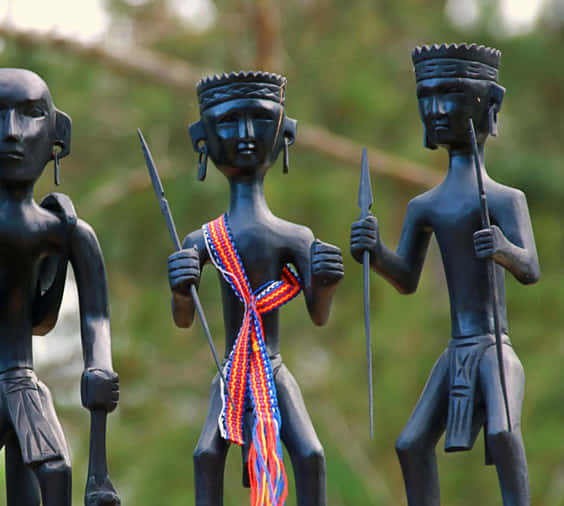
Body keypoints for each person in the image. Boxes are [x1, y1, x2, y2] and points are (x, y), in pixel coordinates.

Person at [349, 43, 539, 506]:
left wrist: (504, 249)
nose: (435, 109)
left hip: (494, 345)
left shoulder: (504, 199)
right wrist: (374, 253)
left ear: (489, 104)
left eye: (451, 95)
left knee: (504, 432)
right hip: (457, 347)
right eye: (427, 97)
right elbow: (407, 277)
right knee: (411, 443)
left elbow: (530, 268)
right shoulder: (425, 206)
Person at [0, 68, 119, 506]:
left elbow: (97, 315)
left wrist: (99, 364)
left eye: (31, 115)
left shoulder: (68, 231)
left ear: (58, 137)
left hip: (28, 383)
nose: (12, 133)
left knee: (55, 471)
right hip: (1, 383)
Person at [167, 71, 343, 506]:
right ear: (203, 140)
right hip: (231, 371)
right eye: (228, 123)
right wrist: (179, 288)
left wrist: (325, 282)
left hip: (273, 368)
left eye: (260, 121)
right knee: (206, 453)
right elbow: (184, 319)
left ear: (283, 134)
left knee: (311, 454)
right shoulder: (204, 240)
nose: (245, 135)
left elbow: (319, 315)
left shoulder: (296, 237)